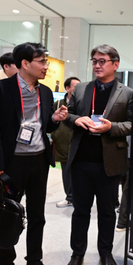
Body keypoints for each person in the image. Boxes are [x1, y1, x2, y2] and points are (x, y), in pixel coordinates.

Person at [0, 42, 68, 265]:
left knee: (37, 216)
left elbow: (45, 126)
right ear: (25, 63)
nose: (46, 66)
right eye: (42, 62)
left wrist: (54, 120)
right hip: (11, 163)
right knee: (6, 216)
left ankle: (34, 262)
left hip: (39, 161)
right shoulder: (0, 88)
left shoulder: (45, 92)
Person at [61, 44, 133, 265]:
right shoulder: (81, 88)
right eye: (94, 61)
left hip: (109, 163)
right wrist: (76, 119)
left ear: (115, 64)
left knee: (107, 212)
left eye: (102, 61)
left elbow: (132, 124)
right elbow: (68, 115)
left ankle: (106, 253)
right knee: (80, 211)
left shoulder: (127, 93)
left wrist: (111, 127)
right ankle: (76, 255)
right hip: (81, 161)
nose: (97, 65)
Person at [53, 77, 81, 208]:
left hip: (76, 140)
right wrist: (56, 135)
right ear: (68, 88)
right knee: (65, 170)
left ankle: (78, 197)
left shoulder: (81, 103)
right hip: (62, 141)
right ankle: (69, 197)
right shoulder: (58, 103)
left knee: (79, 170)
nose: (79, 89)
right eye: (76, 86)